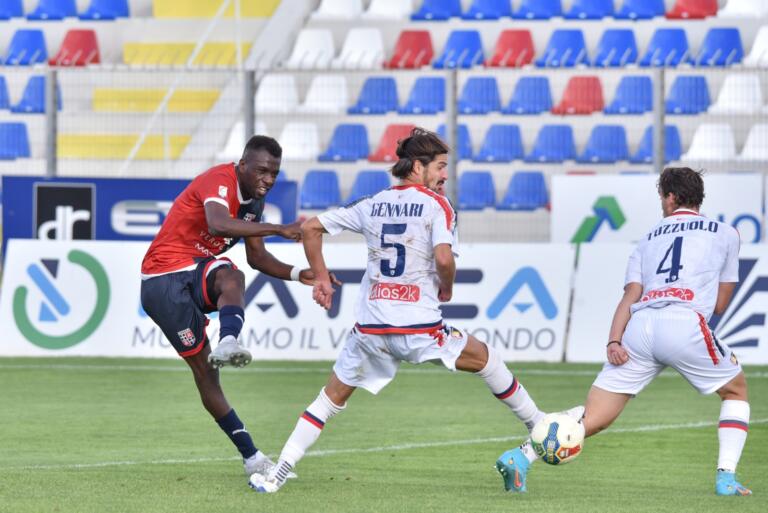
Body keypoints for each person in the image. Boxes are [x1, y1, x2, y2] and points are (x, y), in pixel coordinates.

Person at [249, 128, 547, 493]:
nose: (444, 175)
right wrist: (448, 286)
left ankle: (279, 471)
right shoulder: (438, 206)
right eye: (439, 166)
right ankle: (538, 424)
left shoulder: (372, 202)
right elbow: (443, 257)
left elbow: (311, 228)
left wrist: (322, 278)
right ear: (418, 167)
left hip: (372, 330)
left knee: (329, 400)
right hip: (419, 328)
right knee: (486, 358)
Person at [497, 167, 751, 496]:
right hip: (685, 322)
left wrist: (613, 340)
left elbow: (630, 295)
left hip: (640, 328)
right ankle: (726, 478)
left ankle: (520, 456)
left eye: (662, 196)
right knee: (735, 392)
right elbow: (719, 304)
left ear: (671, 197)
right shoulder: (727, 233)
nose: (662, 202)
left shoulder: (648, 238)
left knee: (595, 417)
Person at [140, 135, 322, 479]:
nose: (268, 179)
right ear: (243, 165)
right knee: (206, 372)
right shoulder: (219, 180)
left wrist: (301, 274)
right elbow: (217, 223)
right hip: (161, 279)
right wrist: (280, 228)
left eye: (275, 174)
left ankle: (252, 457)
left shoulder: (254, 204)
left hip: (192, 273)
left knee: (232, 278)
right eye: (263, 171)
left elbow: (259, 258)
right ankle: (228, 345)